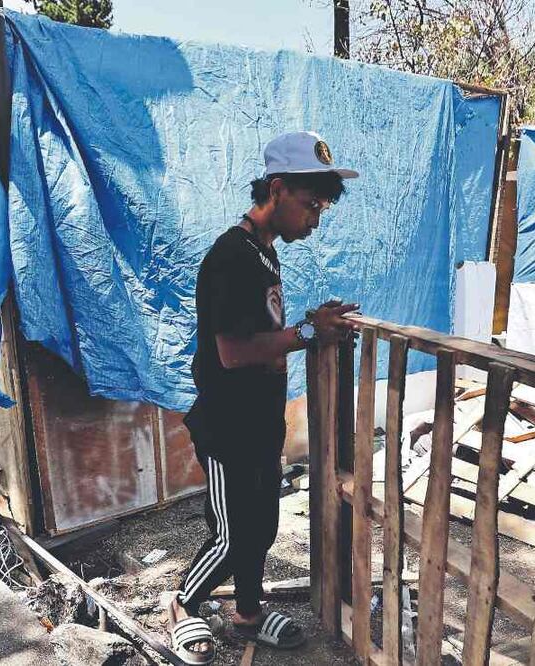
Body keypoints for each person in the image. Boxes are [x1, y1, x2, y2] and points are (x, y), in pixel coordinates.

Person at [165, 131, 360, 663]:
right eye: (310, 204)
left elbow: (264, 332)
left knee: (263, 528)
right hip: (228, 426)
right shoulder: (231, 255)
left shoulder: (264, 253)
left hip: (260, 422)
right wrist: (309, 332)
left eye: (321, 209)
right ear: (277, 189)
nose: (315, 220)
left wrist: (309, 326)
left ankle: (248, 613)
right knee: (232, 537)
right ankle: (181, 605)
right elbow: (231, 352)